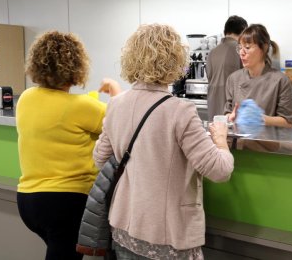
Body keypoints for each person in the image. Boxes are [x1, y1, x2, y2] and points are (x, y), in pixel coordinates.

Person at [93, 24, 234, 260]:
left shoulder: (116, 105)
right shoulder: (180, 110)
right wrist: (221, 141)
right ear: (175, 61)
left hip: (124, 230)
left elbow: (99, 158)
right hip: (167, 237)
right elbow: (219, 171)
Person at [16, 30, 121, 260]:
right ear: (76, 67)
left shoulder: (25, 98)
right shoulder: (80, 106)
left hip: (28, 202)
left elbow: (60, 123)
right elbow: (122, 121)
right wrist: (114, 89)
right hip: (64, 202)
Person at [224, 24, 292, 128]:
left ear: (264, 47)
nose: (241, 53)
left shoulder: (281, 81)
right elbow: (227, 112)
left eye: (247, 47)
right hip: (237, 142)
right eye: (240, 47)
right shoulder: (233, 79)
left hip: (267, 142)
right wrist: (231, 117)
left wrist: (261, 119)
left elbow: (288, 122)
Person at [206, 15, 247, 121]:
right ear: (243, 32)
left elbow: (209, 77)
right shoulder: (240, 50)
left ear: (225, 31)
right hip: (231, 107)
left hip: (213, 103)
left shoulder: (212, 52)